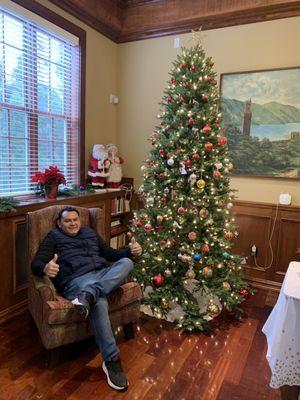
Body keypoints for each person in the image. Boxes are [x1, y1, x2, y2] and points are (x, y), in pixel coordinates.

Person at [31, 206, 142, 392]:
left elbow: (110, 254)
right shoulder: (53, 237)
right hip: (77, 281)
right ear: (60, 223)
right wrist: (45, 268)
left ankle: (90, 293)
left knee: (127, 263)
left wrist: (130, 251)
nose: (72, 223)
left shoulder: (89, 233)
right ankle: (112, 361)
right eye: (67, 220)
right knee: (99, 302)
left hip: (102, 273)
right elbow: (36, 262)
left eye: (75, 219)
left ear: (80, 221)